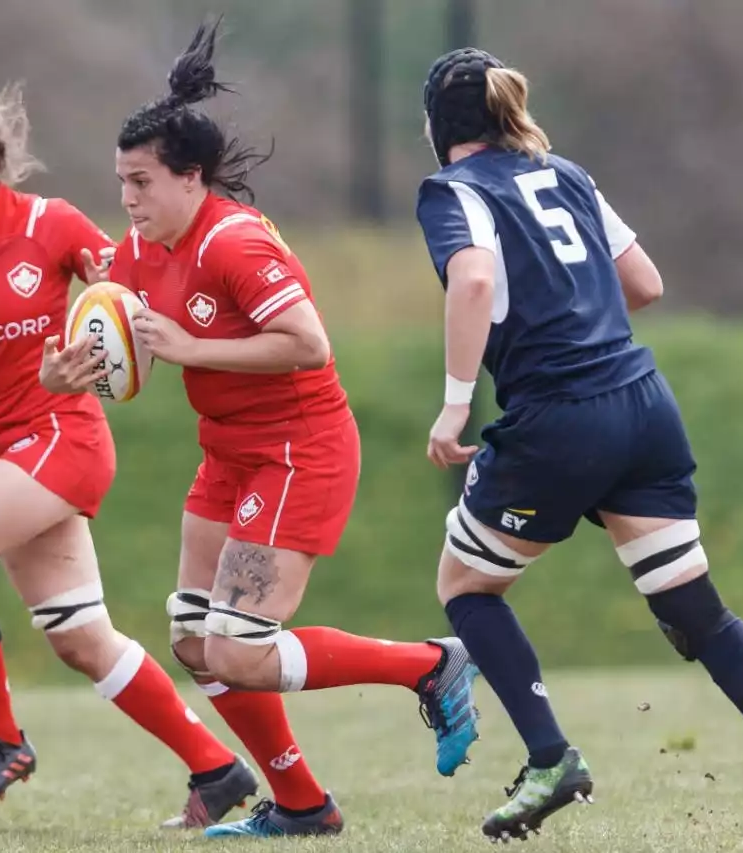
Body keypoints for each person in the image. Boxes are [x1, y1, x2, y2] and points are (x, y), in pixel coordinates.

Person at [42, 19, 481, 840]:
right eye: (121, 182)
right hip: (229, 454)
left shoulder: (235, 241)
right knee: (192, 638)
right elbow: (110, 344)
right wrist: (66, 371)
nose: (127, 199)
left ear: (190, 177)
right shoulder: (140, 252)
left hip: (297, 450)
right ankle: (305, 805)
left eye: (140, 182)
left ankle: (430, 663)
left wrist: (188, 345)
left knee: (240, 649)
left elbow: (310, 343)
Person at [412, 48, 743, 850]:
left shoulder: (453, 190)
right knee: (696, 611)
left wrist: (452, 410)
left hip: (559, 416)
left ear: (436, 127)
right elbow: (643, 282)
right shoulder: (566, 173)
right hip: (644, 403)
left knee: (466, 586)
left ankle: (551, 758)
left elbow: (473, 283)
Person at [0, 83, 260, 825]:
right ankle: (216, 770)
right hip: (2, 452)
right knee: (82, 641)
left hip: (63, 436)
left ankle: (1, 738)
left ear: (0, 163)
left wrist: (112, 346)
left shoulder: (48, 223)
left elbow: (126, 295)